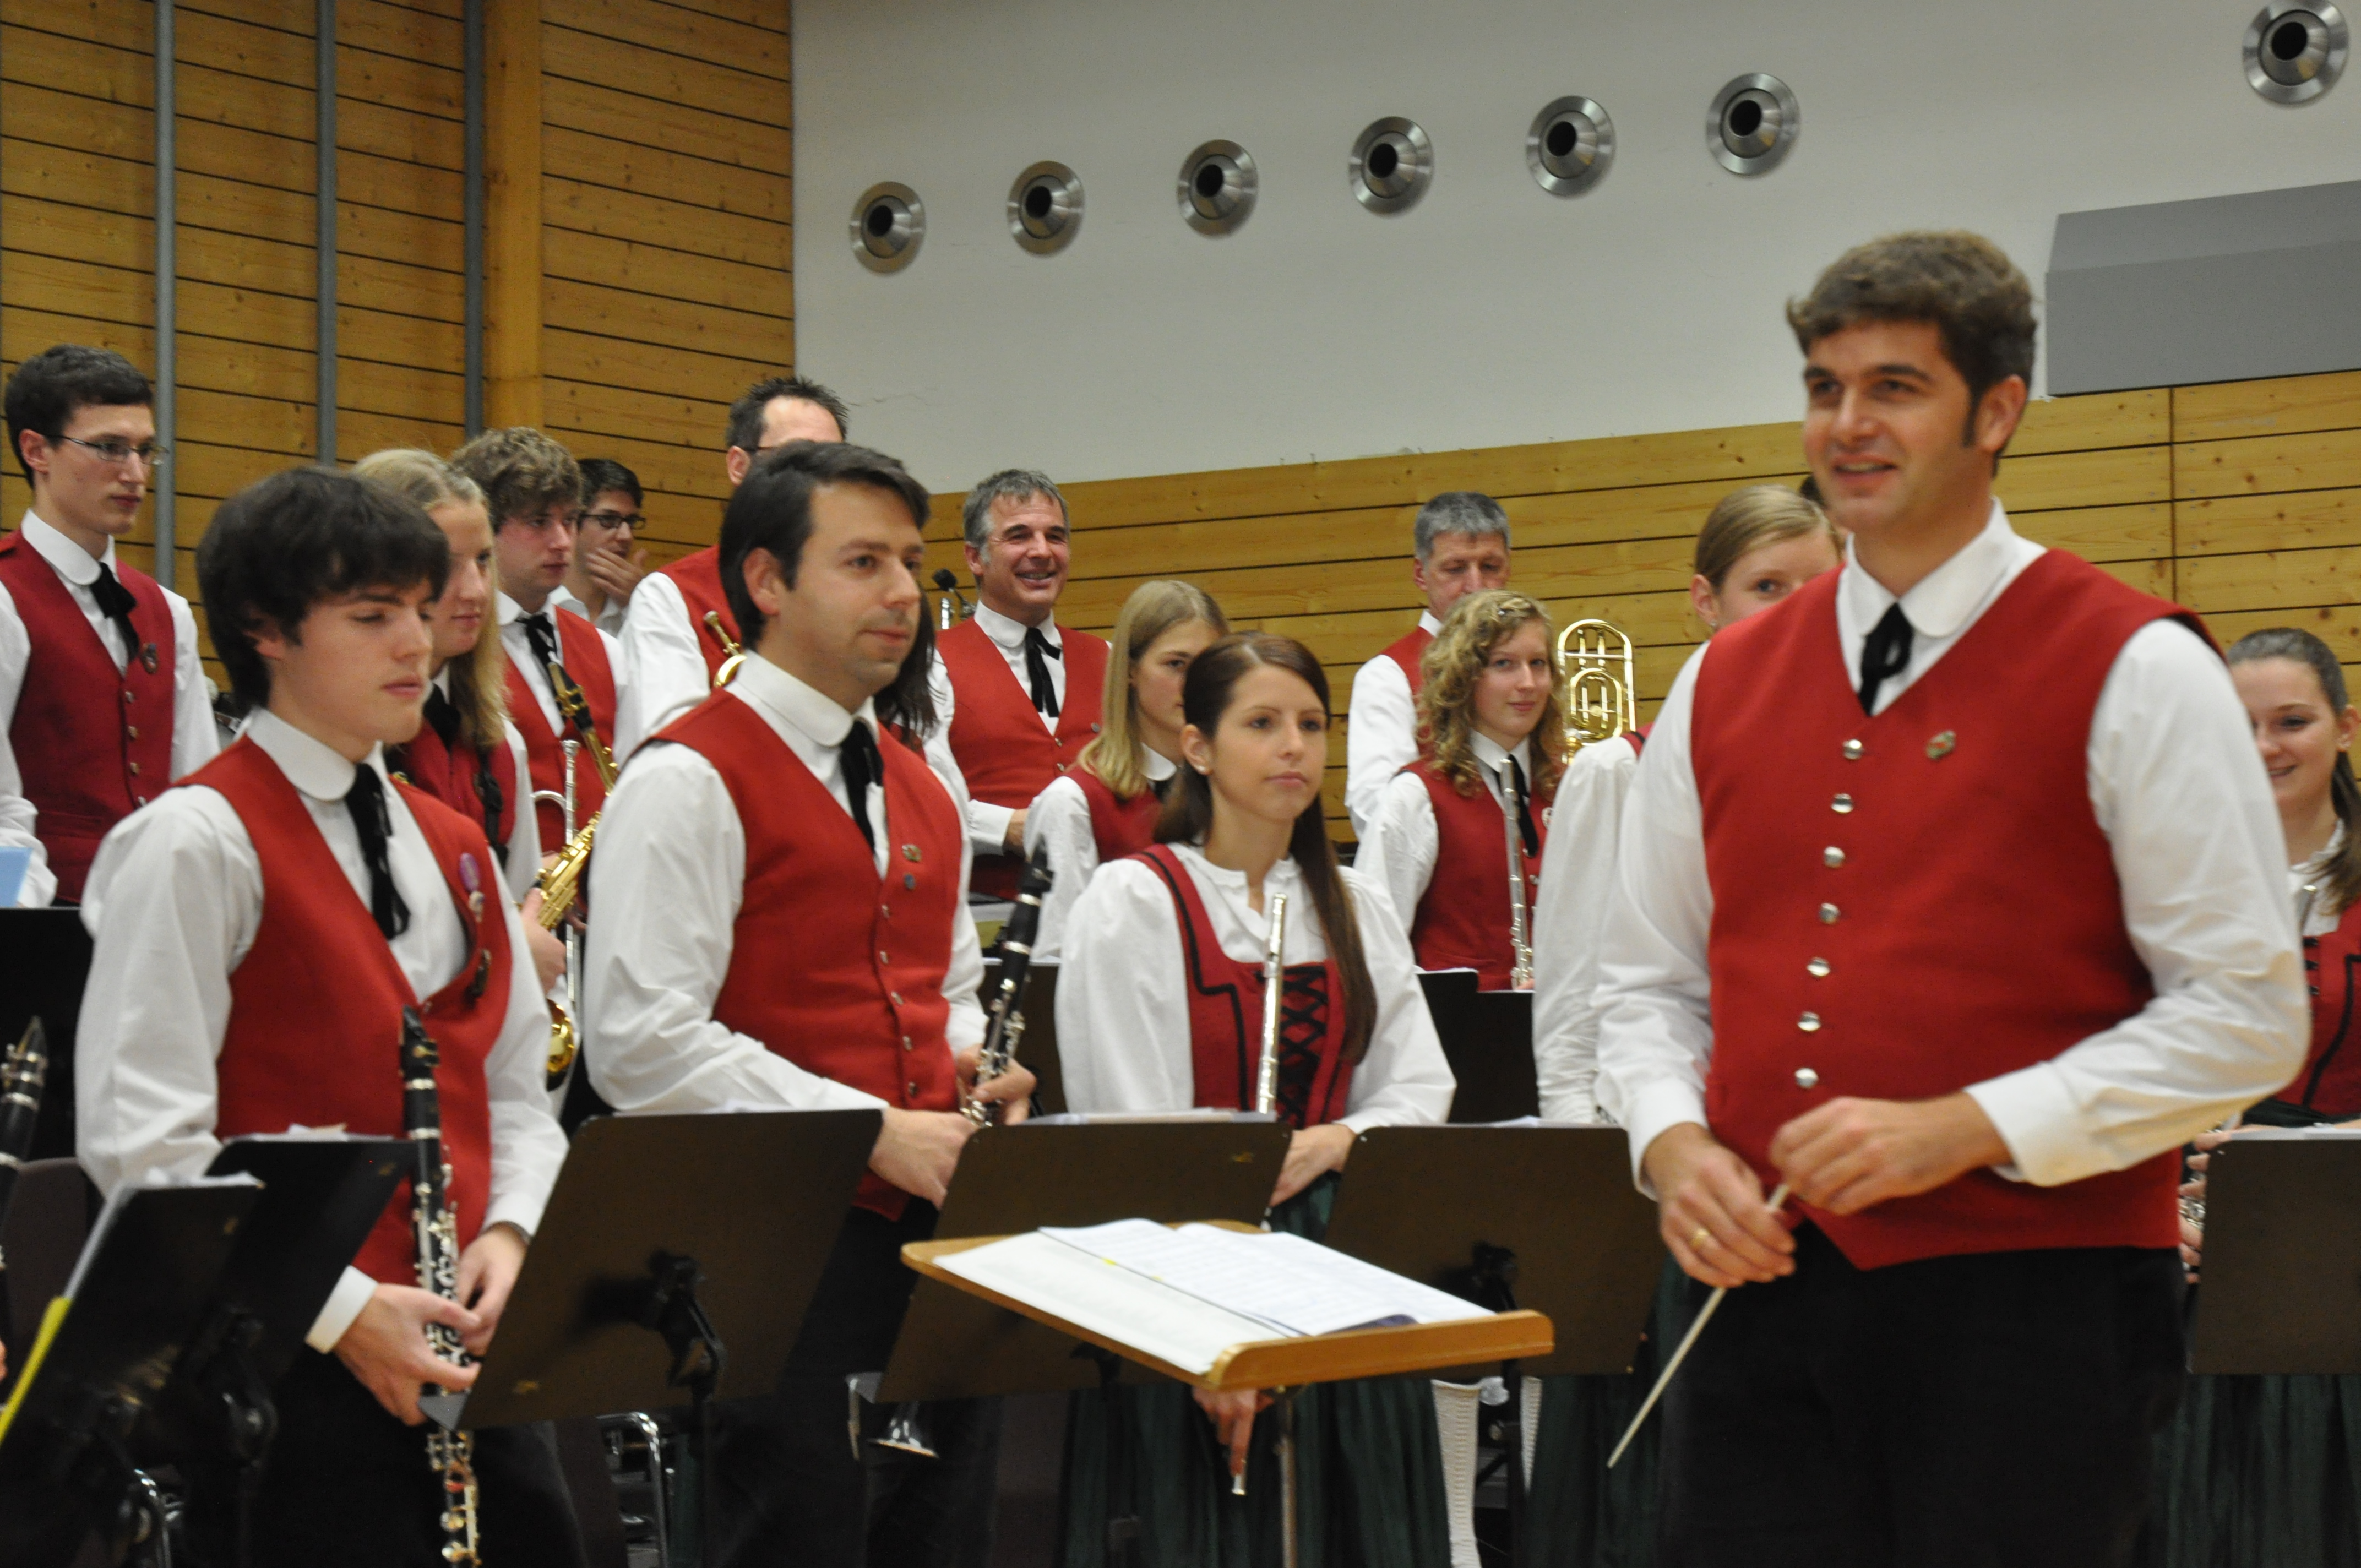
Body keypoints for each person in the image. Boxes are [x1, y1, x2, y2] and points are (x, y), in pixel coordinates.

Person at [1594, 231, 2304, 1567]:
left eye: (1894, 387)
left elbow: (2246, 1018)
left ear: (1996, 411)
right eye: (1823, 387)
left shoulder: (2137, 665)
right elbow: (1643, 983)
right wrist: (1671, 1144)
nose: (1845, 425)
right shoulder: (1717, 682)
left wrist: (1969, 1125)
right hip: (1751, 1304)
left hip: (2036, 1313)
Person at [73, 466, 576, 1567]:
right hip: (286, 1371)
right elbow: (141, 1142)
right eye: (371, 615)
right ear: (267, 630)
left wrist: (510, 1231)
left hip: (470, 1349)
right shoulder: (194, 841)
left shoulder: (456, 844)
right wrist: (342, 1309)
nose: (417, 643)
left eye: (419, 609)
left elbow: (510, 1091)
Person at [583, 439, 1025, 1567]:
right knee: (798, 1538)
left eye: (910, 561)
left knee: (943, 1542)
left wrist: (974, 1062)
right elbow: (638, 1042)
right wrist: (870, 1126)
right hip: (774, 1253)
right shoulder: (687, 775)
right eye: (863, 561)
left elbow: (947, 989)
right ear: (768, 581)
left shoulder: (919, 781)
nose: (902, 592)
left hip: (933, 1240)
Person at [1057, 631, 1456, 1568]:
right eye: (1262, 723)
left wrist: (1336, 1140)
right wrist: (1208, 1339)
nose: (1293, 748)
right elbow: (1135, 1139)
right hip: (1188, 1271)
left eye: (1311, 725)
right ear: (1197, 746)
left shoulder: (1354, 902)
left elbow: (1417, 1084)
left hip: (1344, 1275)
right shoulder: (1133, 899)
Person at [2150, 625, 2361, 1566]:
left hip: (2339, 1256)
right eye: (2238, 725)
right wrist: (2150, 1208)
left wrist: (2321, 1154)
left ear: (2344, 728)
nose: (2264, 746)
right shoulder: (2154, 879)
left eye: (2291, 721)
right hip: (2180, 1263)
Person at [1532, 483, 1840, 1124]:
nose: (1798, 610)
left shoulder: (1858, 755)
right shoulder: (1616, 771)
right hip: (1663, 1127)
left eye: (1819, 587)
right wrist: (1580, 1141)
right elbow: (1571, 1002)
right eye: (1767, 587)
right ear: (1706, 601)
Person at [0, 344, 216, 906]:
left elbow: (199, 791)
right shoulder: (4, 596)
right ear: (37, 450)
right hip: (39, 919)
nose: (135, 474)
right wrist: (21, 924)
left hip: (154, 917)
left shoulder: (168, 611)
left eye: (145, 451)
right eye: (110, 448)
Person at [615, 374, 847, 755]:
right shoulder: (670, 598)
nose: (819, 480)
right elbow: (669, 758)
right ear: (739, 466)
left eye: (835, 462)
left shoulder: (860, 592)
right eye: (796, 458)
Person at [1356, 589, 1565, 990]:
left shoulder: (1571, 788)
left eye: (1538, 664)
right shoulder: (1417, 797)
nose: (1528, 683)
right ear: (1464, 677)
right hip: (1458, 1025)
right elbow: (1372, 953)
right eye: (1504, 664)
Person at [1022, 579, 1227, 961]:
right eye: (1176, 664)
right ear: (1131, 671)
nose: (1195, 685)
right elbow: (1057, 961)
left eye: (1208, 667)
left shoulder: (1233, 791)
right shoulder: (1072, 803)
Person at [931, 469, 1109, 901]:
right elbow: (916, 796)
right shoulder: (929, 662)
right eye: (1019, 536)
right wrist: (1007, 829)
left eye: (1055, 536)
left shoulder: (1110, 658)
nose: (1042, 551)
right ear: (975, 558)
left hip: (1100, 909)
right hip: (984, 911)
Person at [451, 428, 623, 854]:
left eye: (569, 520)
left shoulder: (607, 650)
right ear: (486, 529)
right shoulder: (451, 649)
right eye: (538, 522)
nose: (563, 542)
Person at [1343, 492, 1511, 838]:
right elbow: (1376, 813)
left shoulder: (1532, 667)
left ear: (1508, 568)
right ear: (1421, 574)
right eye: (1455, 569)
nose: (1476, 586)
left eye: (1490, 567)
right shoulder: (1386, 678)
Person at [551, 457, 645, 637]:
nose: (626, 536)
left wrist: (640, 604)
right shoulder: (537, 604)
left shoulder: (636, 607)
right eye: (608, 520)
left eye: (631, 522)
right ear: (571, 523)